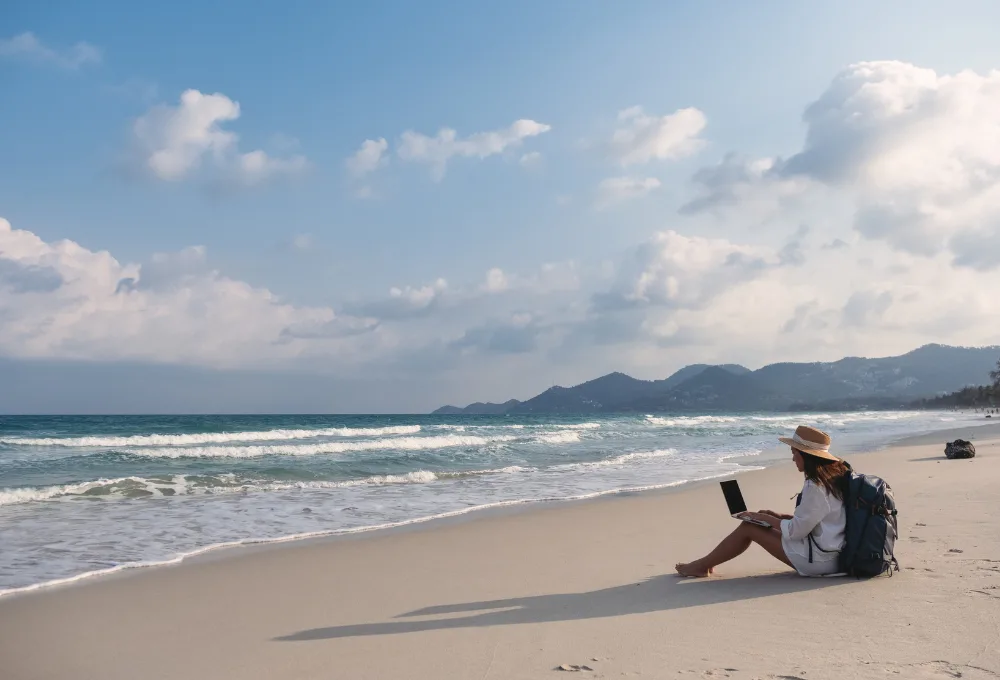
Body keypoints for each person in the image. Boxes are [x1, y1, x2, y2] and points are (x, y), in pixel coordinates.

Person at [675, 425, 848, 577]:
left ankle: (701, 566)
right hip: (833, 555)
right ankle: (706, 563)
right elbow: (820, 522)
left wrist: (765, 519)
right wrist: (777, 516)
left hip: (819, 562)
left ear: (806, 455)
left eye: (794, 453)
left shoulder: (816, 486)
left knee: (749, 527)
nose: (793, 458)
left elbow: (796, 532)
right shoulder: (834, 478)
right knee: (758, 520)